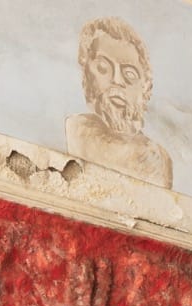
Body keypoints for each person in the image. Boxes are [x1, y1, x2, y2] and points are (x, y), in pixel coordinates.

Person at [65, 17, 173, 188]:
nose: (116, 80)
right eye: (103, 68)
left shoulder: (157, 158)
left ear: (145, 88)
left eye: (129, 74)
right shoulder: (74, 130)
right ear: (86, 76)